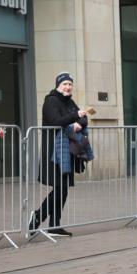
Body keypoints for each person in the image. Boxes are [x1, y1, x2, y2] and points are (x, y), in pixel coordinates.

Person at [30, 73, 91, 237]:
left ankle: (54, 225)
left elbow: (83, 118)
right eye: (64, 84)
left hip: (67, 150)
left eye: (70, 84)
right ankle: (38, 216)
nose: (68, 87)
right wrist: (75, 118)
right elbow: (55, 121)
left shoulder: (70, 101)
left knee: (63, 189)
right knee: (60, 187)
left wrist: (79, 124)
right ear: (58, 85)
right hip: (54, 151)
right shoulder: (51, 101)